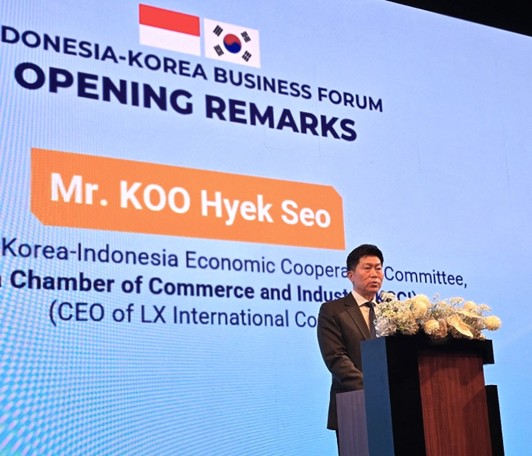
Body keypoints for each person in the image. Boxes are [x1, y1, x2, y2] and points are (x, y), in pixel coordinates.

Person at [317, 243, 384, 444]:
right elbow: (336, 358)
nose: (374, 274)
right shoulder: (333, 310)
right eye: (367, 268)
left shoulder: (393, 311)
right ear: (350, 275)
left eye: (378, 268)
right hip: (352, 404)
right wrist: (374, 389)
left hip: (392, 405)